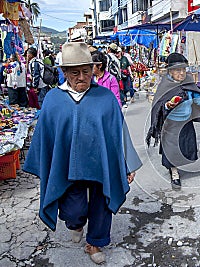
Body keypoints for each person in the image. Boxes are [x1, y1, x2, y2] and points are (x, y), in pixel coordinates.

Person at [23, 42, 142, 264]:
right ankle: (75, 223)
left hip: (100, 163)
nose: (81, 77)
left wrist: (126, 165)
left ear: (93, 70)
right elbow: (45, 135)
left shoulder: (105, 98)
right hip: (67, 166)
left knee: (102, 203)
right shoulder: (53, 100)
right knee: (73, 209)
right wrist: (43, 165)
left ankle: (94, 243)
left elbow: (119, 132)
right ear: (64, 73)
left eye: (86, 71)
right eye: (75, 73)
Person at [146, 53, 200, 189]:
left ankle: (177, 165)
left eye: (184, 70)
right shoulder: (165, 85)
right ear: (170, 71)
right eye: (178, 70)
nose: (182, 73)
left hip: (186, 121)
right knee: (172, 149)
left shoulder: (188, 82)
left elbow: (197, 97)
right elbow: (160, 104)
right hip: (171, 123)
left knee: (185, 145)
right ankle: (174, 172)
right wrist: (168, 105)